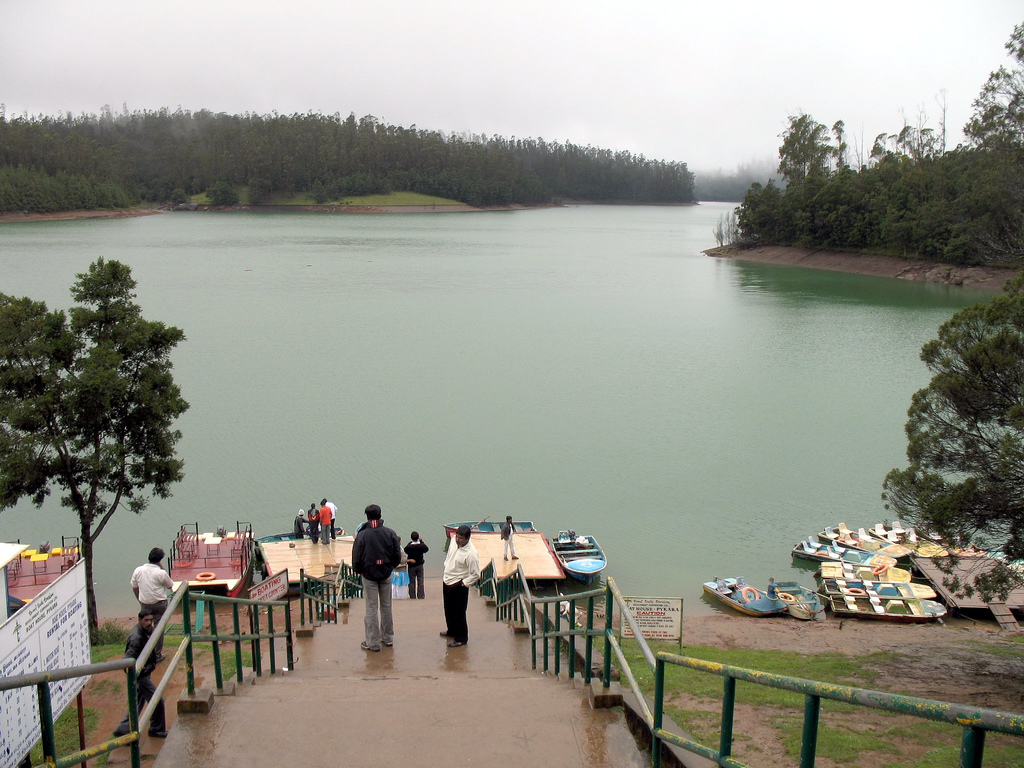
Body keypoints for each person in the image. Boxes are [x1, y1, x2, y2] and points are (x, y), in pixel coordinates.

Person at [351, 504, 402, 652]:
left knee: (371, 608)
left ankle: (372, 642)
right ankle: (388, 638)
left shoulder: (362, 535)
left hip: (369, 575)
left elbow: (356, 557)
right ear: (380, 515)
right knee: (386, 607)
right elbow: (397, 555)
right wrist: (390, 567)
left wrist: (360, 571)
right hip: (386, 573)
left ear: (367, 517)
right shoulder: (390, 533)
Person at [113, 609, 168, 739]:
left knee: (137, 703)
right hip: (140, 675)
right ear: (139, 621)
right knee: (157, 700)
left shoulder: (147, 631)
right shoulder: (136, 638)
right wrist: (137, 676)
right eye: (146, 621)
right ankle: (156, 730)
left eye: (151, 620)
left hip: (144, 671)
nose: (149, 623)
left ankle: (123, 729)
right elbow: (127, 660)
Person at [130, 547, 173, 661]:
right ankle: (157, 655)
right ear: (159, 560)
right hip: (159, 604)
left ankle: (143, 653)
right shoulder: (160, 573)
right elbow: (170, 585)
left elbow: (134, 587)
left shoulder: (138, 570)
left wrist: (139, 599)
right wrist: (162, 567)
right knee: (159, 629)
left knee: (145, 628)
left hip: (145, 603)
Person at [441, 524, 480, 648]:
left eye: (461, 538)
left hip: (459, 583)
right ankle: (451, 631)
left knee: (459, 612)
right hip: (447, 579)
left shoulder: (471, 554)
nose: (458, 540)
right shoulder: (453, 541)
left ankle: (461, 637)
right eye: (457, 537)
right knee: (448, 609)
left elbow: (476, 574)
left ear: (468, 538)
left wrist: (463, 584)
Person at [404, 532, 429, 599]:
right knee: (420, 580)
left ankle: (412, 595)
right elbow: (426, 549)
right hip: (420, 565)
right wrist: (421, 541)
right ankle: (421, 595)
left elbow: (405, 550)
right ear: (418, 537)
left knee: (411, 581)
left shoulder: (409, 546)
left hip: (411, 566)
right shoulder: (421, 545)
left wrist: (411, 542)